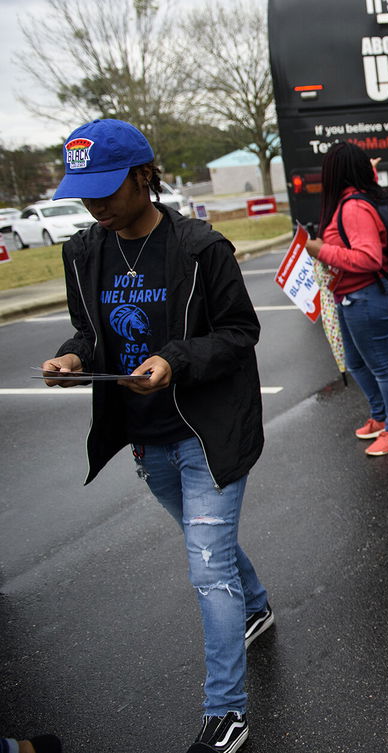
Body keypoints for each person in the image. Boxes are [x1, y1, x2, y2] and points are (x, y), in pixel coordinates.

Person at [40, 119, 272, 753]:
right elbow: (94, 334)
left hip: (206, 433)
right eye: (86, 194)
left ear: (145, 175)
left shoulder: (201, 248)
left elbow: (239, 333)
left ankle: (226, 712)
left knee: (204, 568)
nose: (97, 206)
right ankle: (256, 605)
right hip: (145, 436)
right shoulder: (83, 251)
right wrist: (71, 357)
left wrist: (174, 358)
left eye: (108, 190)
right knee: (212, 555)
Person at [304, 142, 388, 456]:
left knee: (382, 367)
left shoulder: (353, 207)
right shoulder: (352, 201)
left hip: (366, 296)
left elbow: (369, 258)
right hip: (351, 295)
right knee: (356, 362)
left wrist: (319, 250)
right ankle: (381, 417)